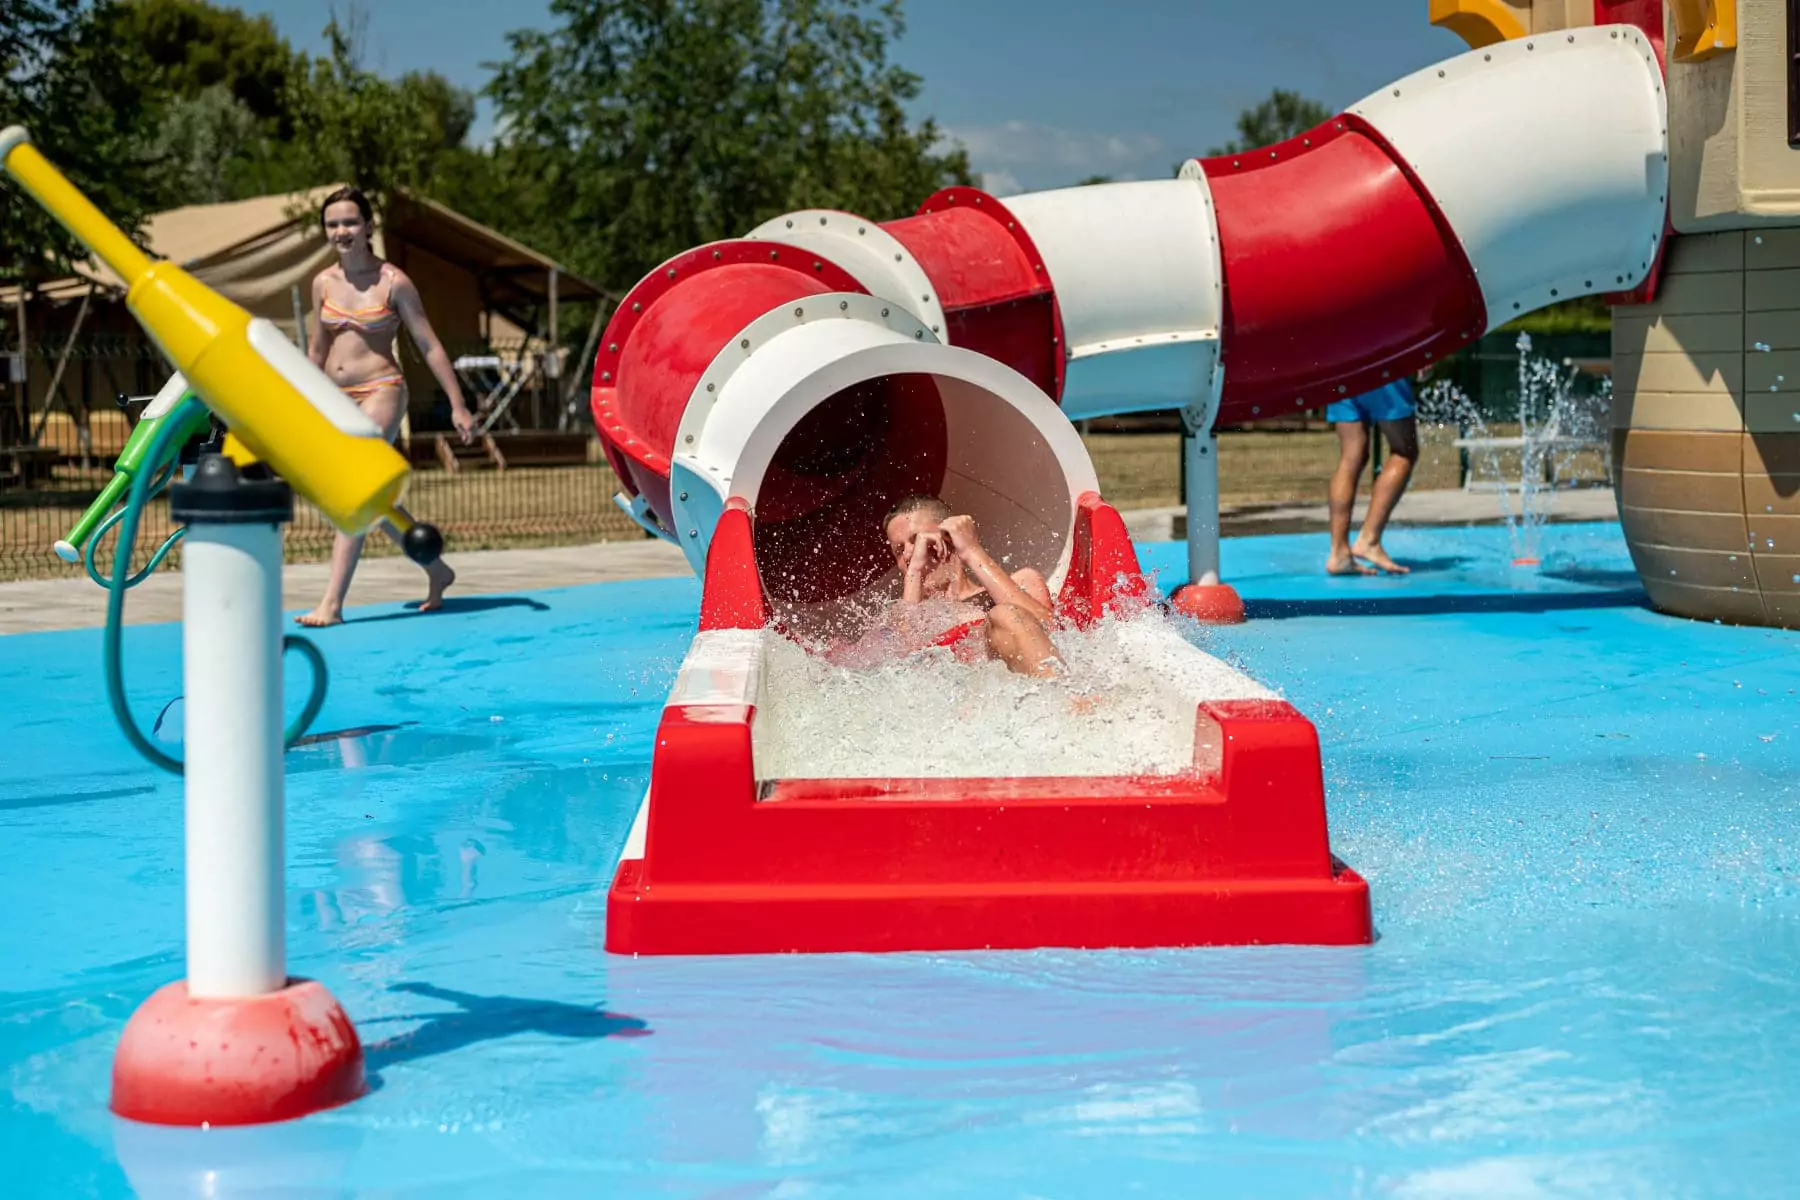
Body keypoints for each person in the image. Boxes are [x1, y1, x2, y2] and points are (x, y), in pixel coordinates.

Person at [295, 186, 477, 627]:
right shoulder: (323, 283)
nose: (342, 231)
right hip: (336, 398)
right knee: (373, 501)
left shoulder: (394, 282)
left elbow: (428, 344)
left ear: (369, 226)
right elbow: (317, 351)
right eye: (333, 224)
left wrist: (458, 404)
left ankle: (332, 604)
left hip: (382, 390)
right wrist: (301, 402)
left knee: (356, 486)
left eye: (350, 222)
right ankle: (437, 569)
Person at [832, 495, 1064, 678]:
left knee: (1005, 613)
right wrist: (914, 574)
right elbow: (898, 667)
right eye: (899, 551)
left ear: (950, 534)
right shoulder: (905, 615)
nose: (911, 553)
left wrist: (971, 550)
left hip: (1018, 680)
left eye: (916, 539)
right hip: (953, 704)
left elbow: (1050, 631)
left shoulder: (1021, 581)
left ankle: (1066, 701)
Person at [1326, 376, 1420, 576]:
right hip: (1382, 364)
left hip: (1341, 365)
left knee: (1351, 455)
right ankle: (1369, 540)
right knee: (1405, 451)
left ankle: (1339, 553)